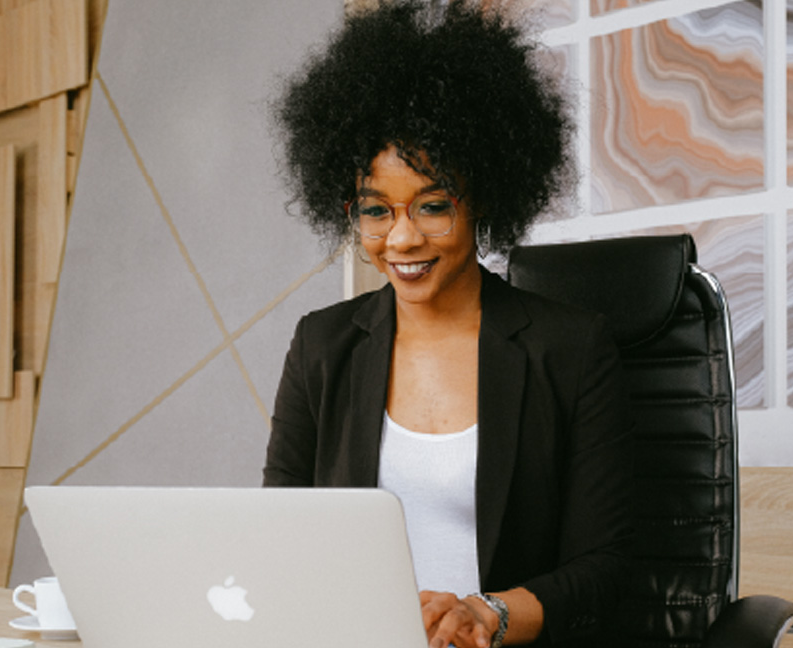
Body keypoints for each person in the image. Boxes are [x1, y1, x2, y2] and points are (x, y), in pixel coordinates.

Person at [263, 2, 633, 647]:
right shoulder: (323, 345)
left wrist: (487, 613)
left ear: (484, 195)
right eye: (376, 211)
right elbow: (282, 530)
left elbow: (607, 567)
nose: (401, 238)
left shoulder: (570, 348)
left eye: (433, 206)